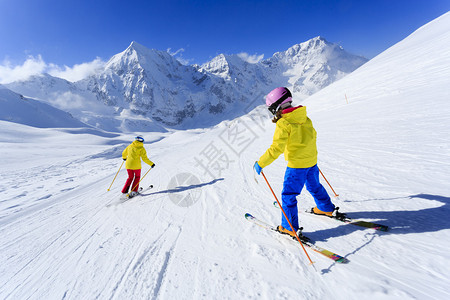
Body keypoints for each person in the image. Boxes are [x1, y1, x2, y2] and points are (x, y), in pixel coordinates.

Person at [254, 87, 338, 237]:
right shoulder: (304, 117)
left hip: (296, 166)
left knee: (288, 195)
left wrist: (261, 163)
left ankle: (289, 227)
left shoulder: (284, 124)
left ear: (276, 108)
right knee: (314, 186)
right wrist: (309, 156)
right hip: (311, 162)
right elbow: (312, 137)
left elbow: (276, 149)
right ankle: (326, 207)